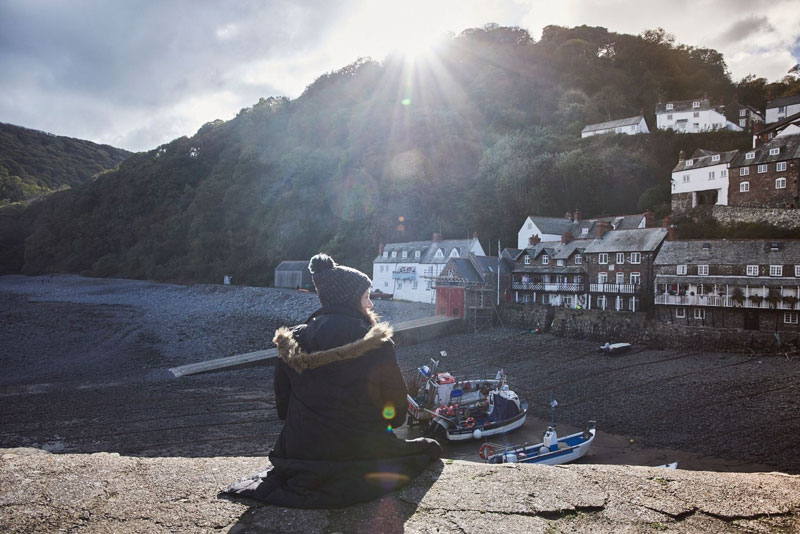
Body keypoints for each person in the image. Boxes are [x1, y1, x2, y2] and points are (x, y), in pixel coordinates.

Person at [225, 253, 442, 508]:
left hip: (298, 454)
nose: (371, 304)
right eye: (366, 297)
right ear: (351, 300)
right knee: (430, 448)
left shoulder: (291, 342)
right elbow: (396, 415)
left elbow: (283, 410)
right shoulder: (377, 344)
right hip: (358, 453)